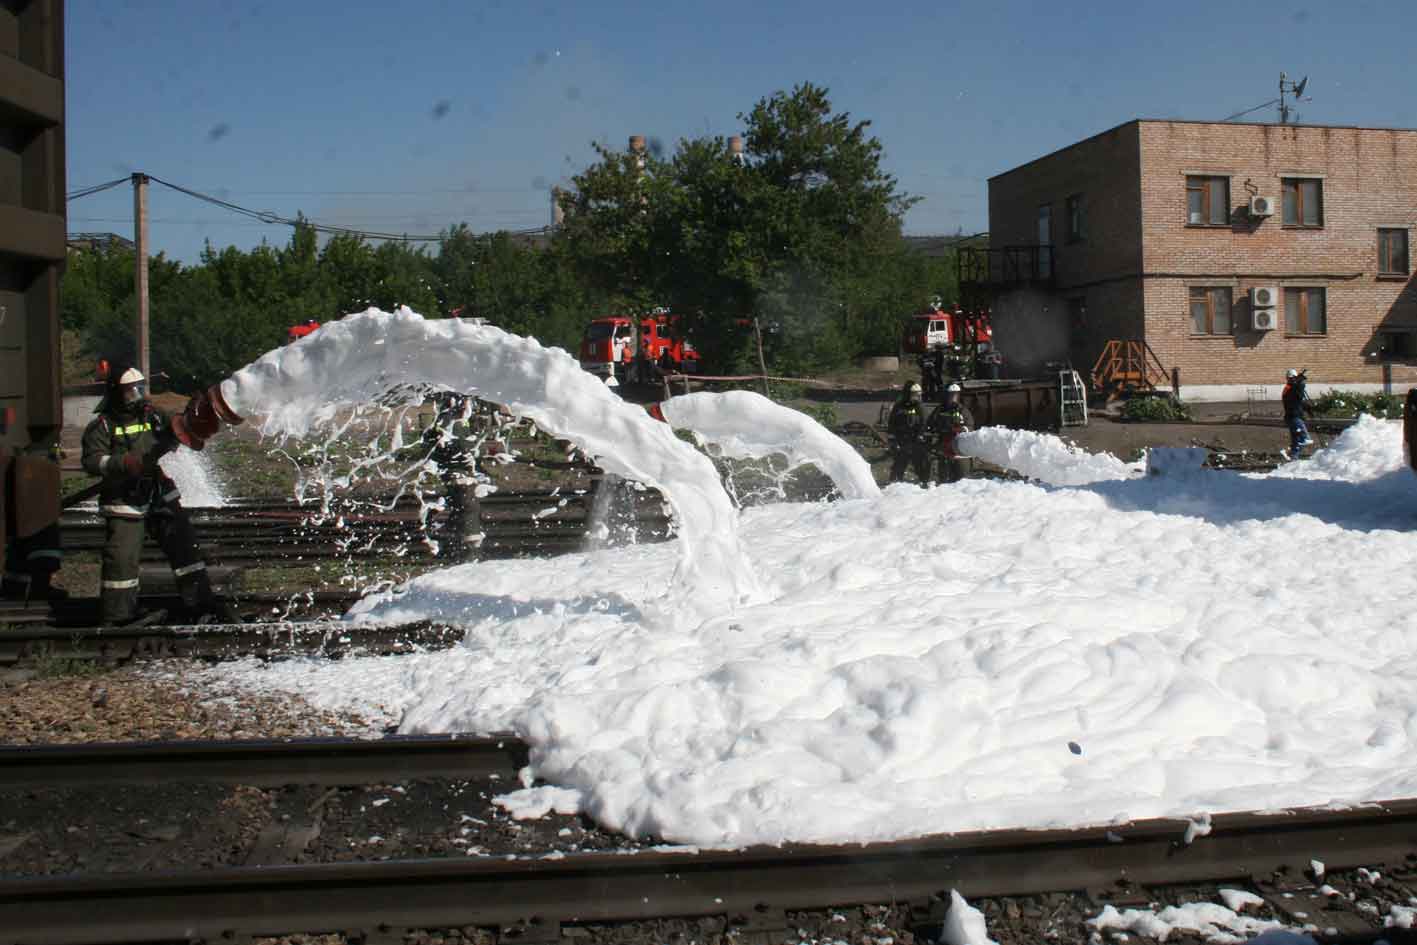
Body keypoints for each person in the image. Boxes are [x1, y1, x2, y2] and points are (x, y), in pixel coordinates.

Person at [80, 364, 236, 626]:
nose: (138, 395)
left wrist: (193, 420)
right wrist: (123, 463)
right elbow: (92, 461)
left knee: (185, 549)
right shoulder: (103, 426)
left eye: (141, 388)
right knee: (122, 560)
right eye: (132, 390)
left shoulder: (152, 415)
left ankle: (200, 605)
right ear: (117, 392)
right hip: (124, 498)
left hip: (158, 492)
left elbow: (177, 430)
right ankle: (118, 618)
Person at [928, 383, 976, 483]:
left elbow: (971, 426)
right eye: (951, 394)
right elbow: (930, 425)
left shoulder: (963, 410)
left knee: (962, 481)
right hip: (944, 451)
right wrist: (940, 430)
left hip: (960, 453)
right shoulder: (940, 410)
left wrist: (963, 429)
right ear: (946, 395)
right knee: (944, 481)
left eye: (956, 394)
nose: (953, 397)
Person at [887, 382, 931, 484]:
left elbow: (924, 423)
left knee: (920, 464)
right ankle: (895, 485)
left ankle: (924, 484)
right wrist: (892, 438)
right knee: (899, 465)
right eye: (915, 394)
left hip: (916, 442)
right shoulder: (898, 406)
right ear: (908, 394)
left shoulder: (920, 407)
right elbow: (892, 423)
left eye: (919, 394)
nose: (918, 397)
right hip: (902, 441)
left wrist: (920, 435)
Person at [1281, 368, 1314, 456]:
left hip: (1294, 417)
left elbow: (1298, 399)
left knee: (1296, 439)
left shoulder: (1293, 388)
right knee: (1305, 438)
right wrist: (1300, 381)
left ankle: (1293, 456)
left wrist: (1308, 409)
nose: (1293, 380)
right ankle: (1297, 447)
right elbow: (1296, 393)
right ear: (1288, 379)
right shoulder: (1288, 388)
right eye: (1292, 378)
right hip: (1293, 417)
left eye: (1294, 379)